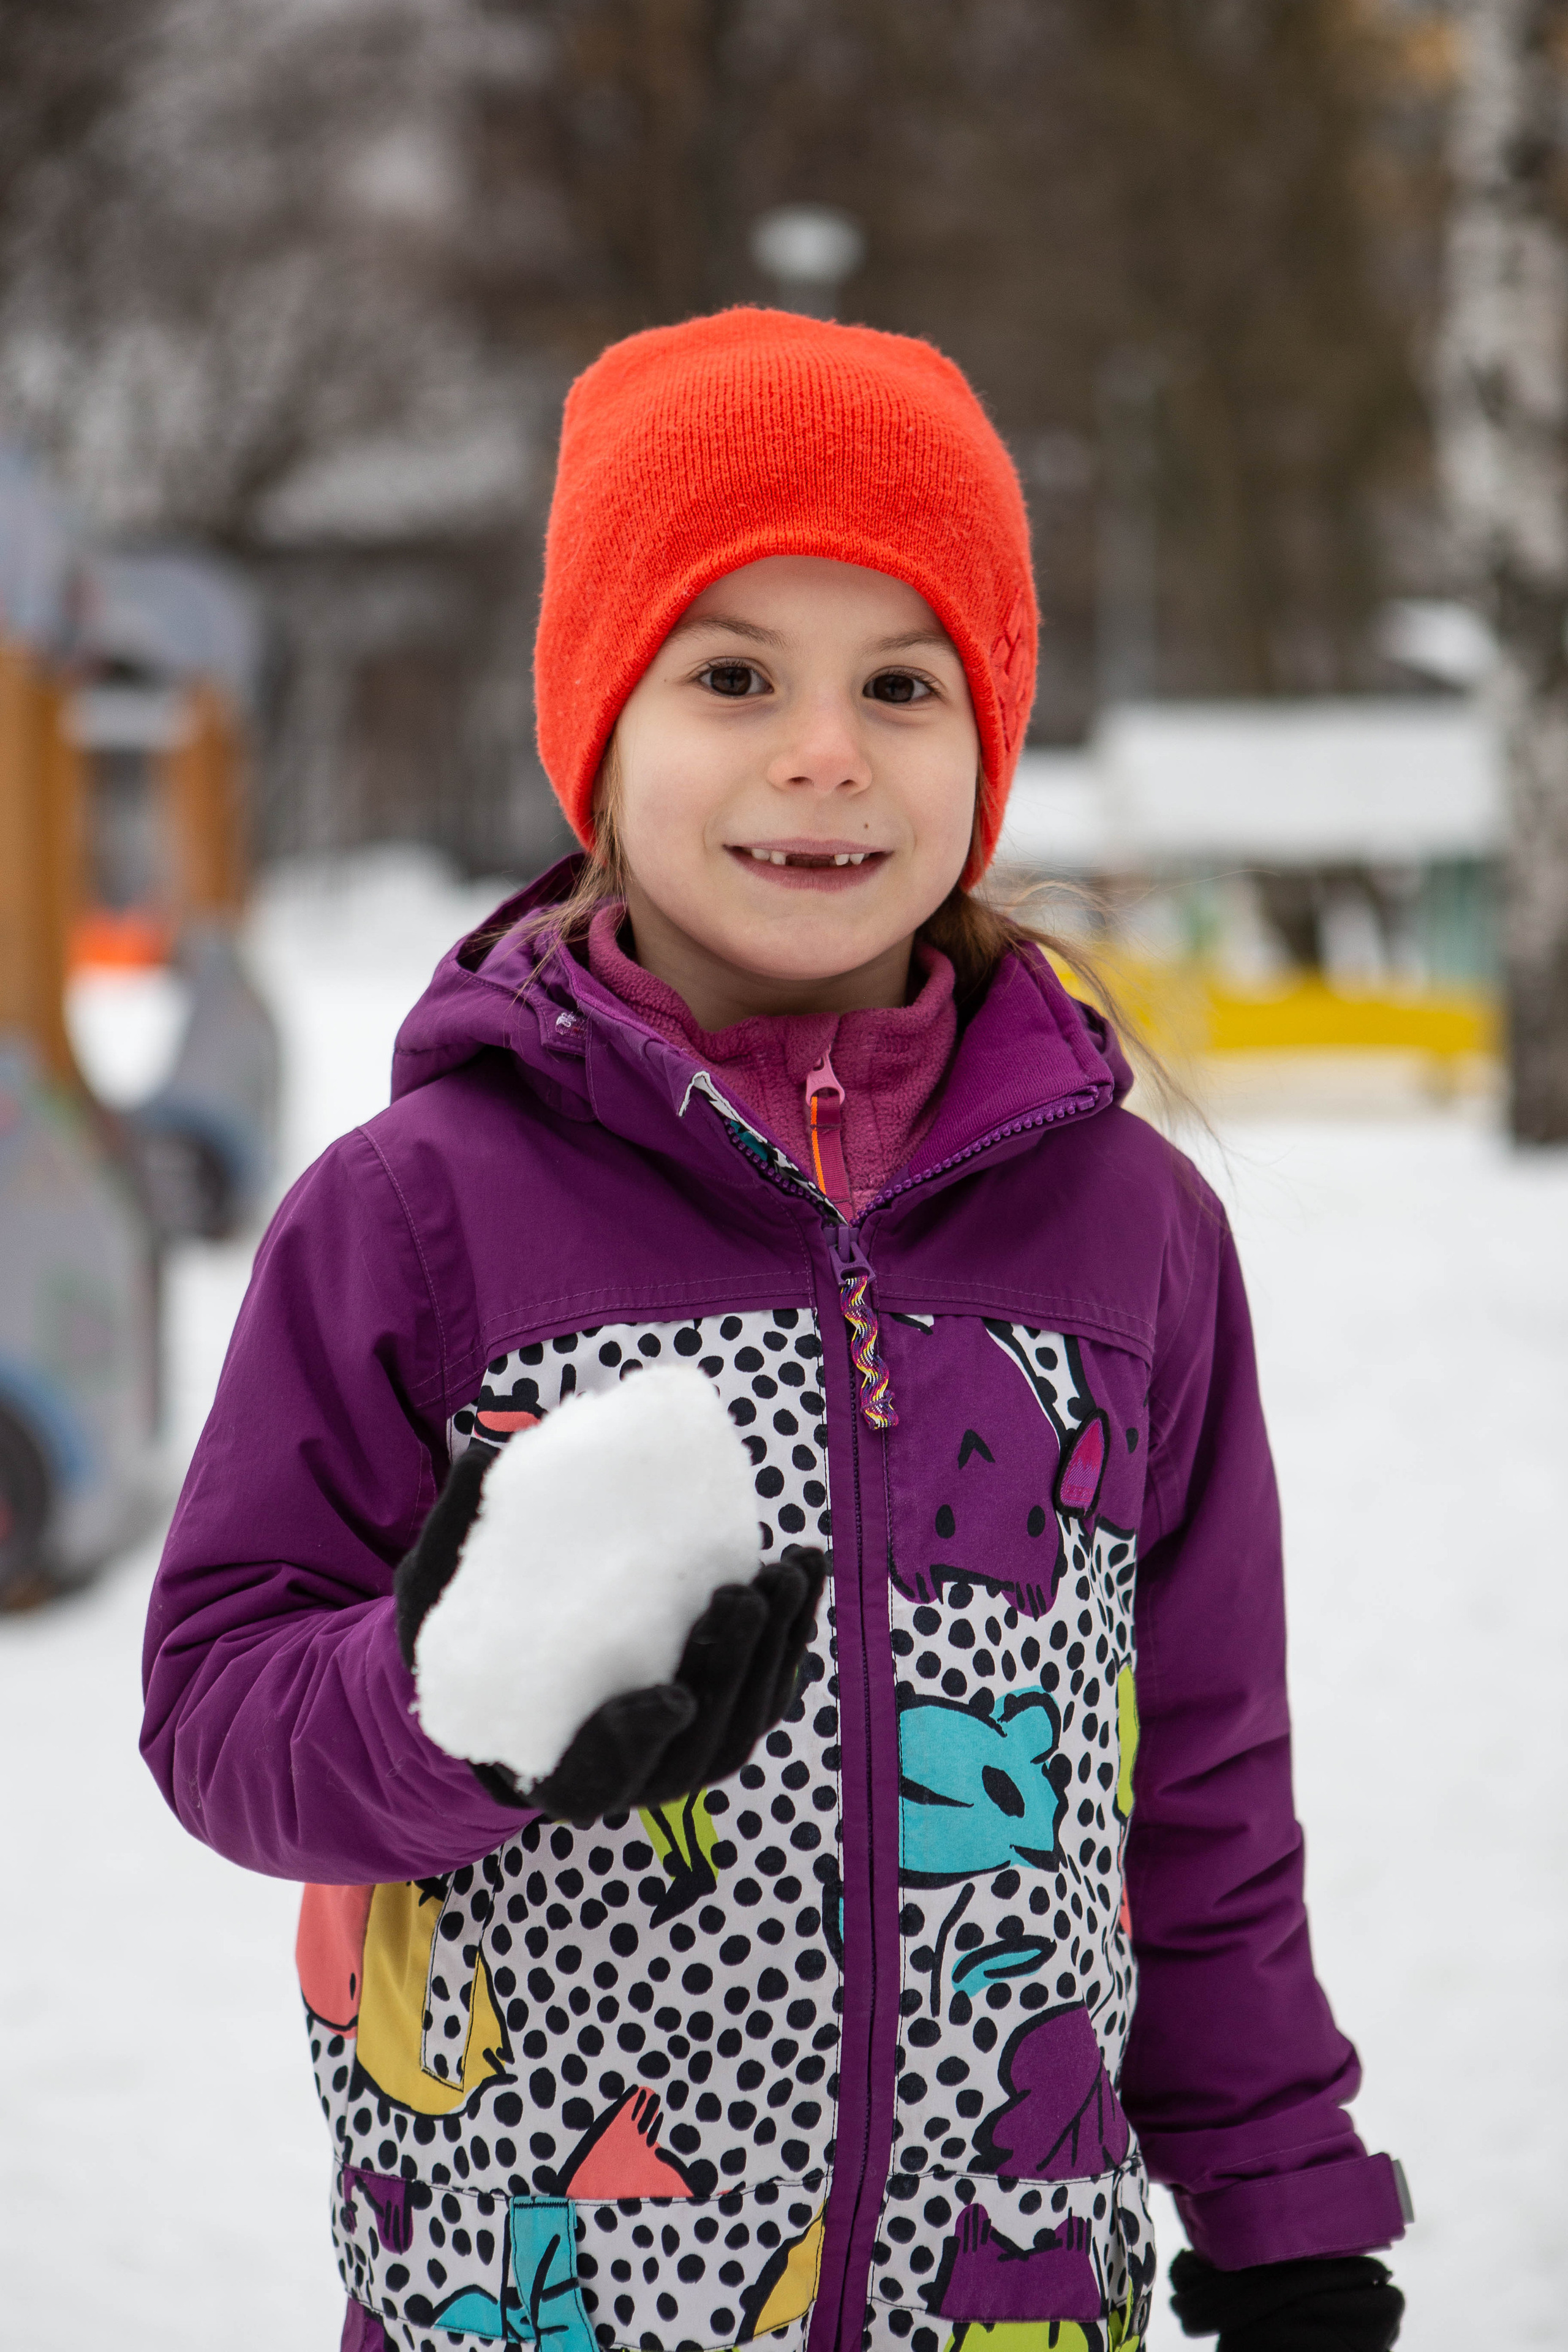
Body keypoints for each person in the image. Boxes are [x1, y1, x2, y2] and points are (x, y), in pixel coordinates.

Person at [142, 309, 1409, 2352]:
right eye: (733, 675)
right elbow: (215, 1709)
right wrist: (443, 1709)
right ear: (601, 735)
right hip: (527, 2296)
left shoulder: (1133, 1233)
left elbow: (1202, 1785)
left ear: (984, 749)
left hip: (1011, 2296)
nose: (825, 752)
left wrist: (1285, 2214)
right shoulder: (418, 1217)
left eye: (903, 684)